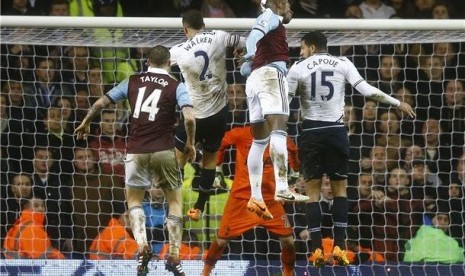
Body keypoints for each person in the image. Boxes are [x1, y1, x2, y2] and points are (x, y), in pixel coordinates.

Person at [287, 31, 415, 268]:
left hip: (311, 133)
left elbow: (286, 97)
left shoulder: (299, 67)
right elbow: (367, 90)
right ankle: (339, 247)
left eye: (302, 48)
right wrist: (398, 102)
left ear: (313, 47)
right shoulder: (343, 63)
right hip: (336, 132)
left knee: (312, 193)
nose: (300, 52)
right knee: (340, 191)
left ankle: (316, 250)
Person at [74, 45, 196, 276]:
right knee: (175, 202)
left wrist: (87, 121)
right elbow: (189, 118)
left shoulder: (132, 81)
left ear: (147, 62)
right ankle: (175, 255)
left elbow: (101, 102)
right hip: (164, 150)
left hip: (136, 150)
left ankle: (141, 246)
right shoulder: (176, 85)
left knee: (134, 201)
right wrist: (189, 143)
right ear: (170, 63)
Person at [169, 9, 245, 222]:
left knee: (177, 162)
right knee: (210, 160)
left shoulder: (178, 50)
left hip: (194, 115)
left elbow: (158, 66)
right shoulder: (220, 36)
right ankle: (198, 207)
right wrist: (241, 54)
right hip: (219, 114)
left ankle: (173, 206)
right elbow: (246, 42)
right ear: (204, 24)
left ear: (185, 29)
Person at [239, 0, 308, 220]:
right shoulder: (269, 16)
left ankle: (257, 197)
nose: (290, 6)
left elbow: (244, 69)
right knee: (279, 129)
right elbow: (252, 39)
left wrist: (250, 59)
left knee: (259, 141)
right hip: (270, 76)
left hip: (255, 79)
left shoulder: (272, 26)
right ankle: (282, 187)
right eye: (287, 2)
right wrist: (250, 54)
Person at [202, 124, 297, 276]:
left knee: (288, 241)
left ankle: (288, 273)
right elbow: (220, 143)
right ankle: (205, 272)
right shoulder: (241, 134)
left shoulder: (279, 138)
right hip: (241, 198)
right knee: (221, 242)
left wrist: (293, 179)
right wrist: (217, 169)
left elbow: (293, 151)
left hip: (269, 199)